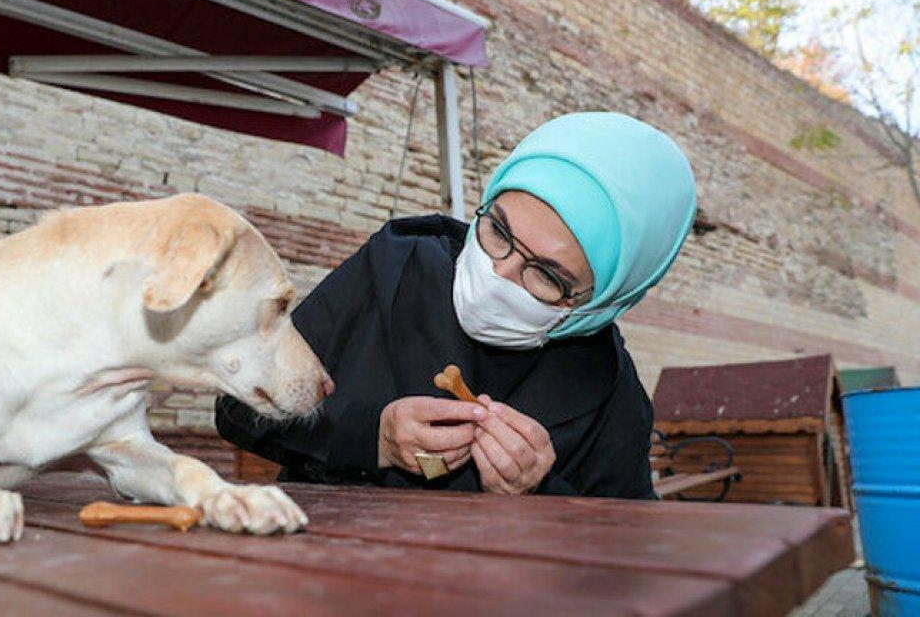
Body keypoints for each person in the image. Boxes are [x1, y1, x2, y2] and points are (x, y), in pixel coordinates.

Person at [216, 112, 696, 497]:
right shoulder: (393, 269)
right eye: (499, 231)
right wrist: (373, 438)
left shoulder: (608, 389)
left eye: (548, 276)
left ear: (602, 303)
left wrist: (542, 492)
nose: (499, 273)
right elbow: (237, 409)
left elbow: (626, 546)